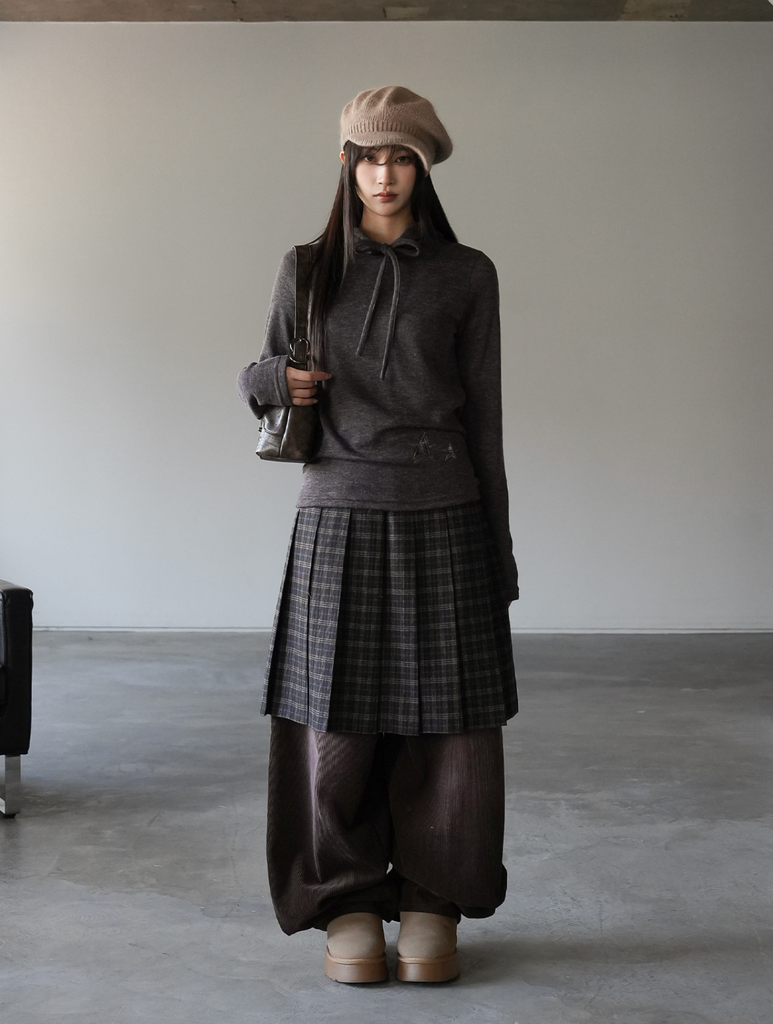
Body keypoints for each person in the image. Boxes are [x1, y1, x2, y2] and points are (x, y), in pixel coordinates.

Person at [237, 85, 518, 985]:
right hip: (336, 511)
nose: (383, 174)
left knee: (451, 730)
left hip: (445, 510)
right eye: (368, 157)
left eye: (401, 158)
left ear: (423, 168)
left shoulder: (467, 273)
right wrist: (277, 380)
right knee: (332, 724)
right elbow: (258, 373)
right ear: (346, 164)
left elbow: (485, 420)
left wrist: (499, 548)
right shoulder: (306, 267)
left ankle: (435, 897)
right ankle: (346, 898)